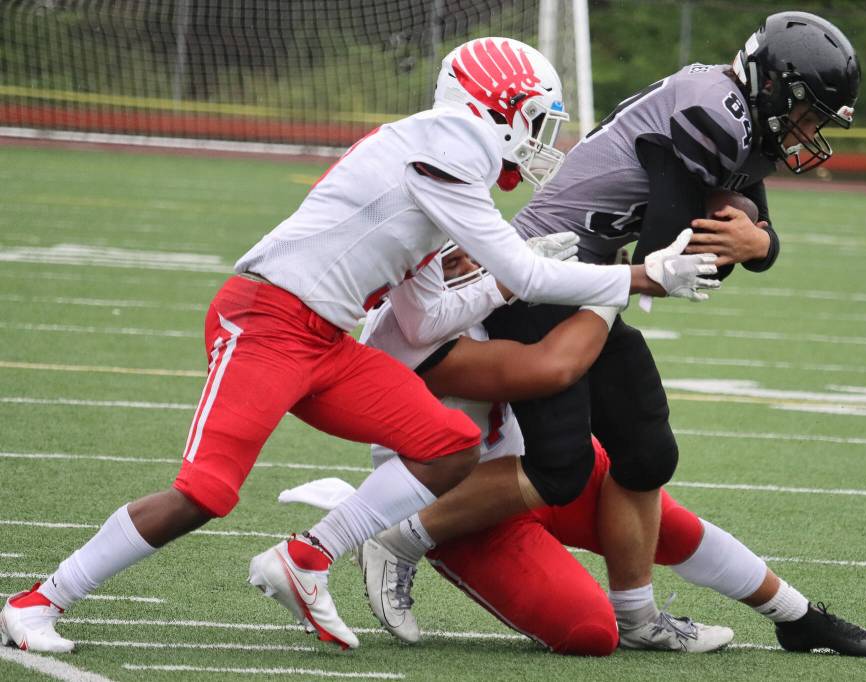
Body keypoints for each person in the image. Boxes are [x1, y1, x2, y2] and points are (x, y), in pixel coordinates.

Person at [0, 37, 718, 654]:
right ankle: (37, 603)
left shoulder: (441, 163)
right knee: (205, 494)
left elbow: (429, 319)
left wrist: (503, 285)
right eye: (534, 119)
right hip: (265, 322)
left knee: (449, 444)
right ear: (498, 108)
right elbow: (529, 274)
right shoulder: (450, 146)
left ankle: (308, 555)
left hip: (324, 339)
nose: (539, 140)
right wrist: (643, 275)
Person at [285, 237, 866, 658]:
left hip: (541, 464)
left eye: (468, 239)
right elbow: (548, 369)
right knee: (586, 632)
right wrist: (615, 286)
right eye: (446, 251)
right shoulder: (409, 333)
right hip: (461, 505)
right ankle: (401, 534)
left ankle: (798, 617)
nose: (468, 255)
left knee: (651, 496)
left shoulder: (494, 283)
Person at [480, 10, 863, 644]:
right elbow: (667, 259)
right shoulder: (716, 112)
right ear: (775, 86)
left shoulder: (744, 118)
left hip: (588, 286)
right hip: (534, 279)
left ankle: (637, 619)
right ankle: (397, 534)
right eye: (806, 112)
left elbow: (745, 240)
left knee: (646, 453)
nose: (808, 129)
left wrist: (758, 243)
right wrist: (746, 241)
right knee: (560, 466)